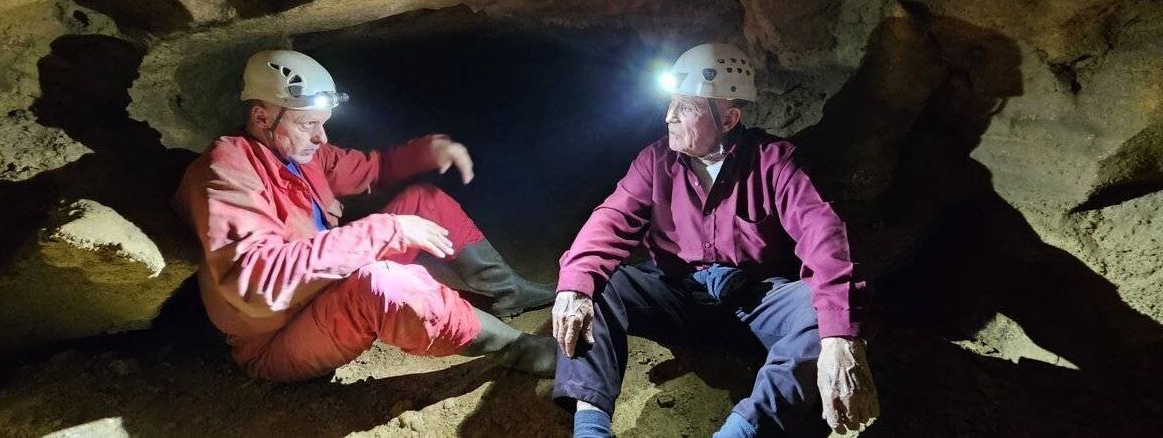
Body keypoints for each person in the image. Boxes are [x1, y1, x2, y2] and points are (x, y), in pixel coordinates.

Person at [550, 43, 880, 437]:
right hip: (678, 294)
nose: (669, 116)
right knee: (592, 285)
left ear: (728, 118)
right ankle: (591, 428)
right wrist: (576, 284)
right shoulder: (656, 162)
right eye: (671, 103)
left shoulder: (774, 162)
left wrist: (839, 334)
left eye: (686, 107)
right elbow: (612, 218)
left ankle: (741, 431)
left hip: (755, 301)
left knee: (824, 317)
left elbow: (821, 233)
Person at [175, 49, 555, 382]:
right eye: (308, 124)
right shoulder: (225, 172)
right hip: (277, 336)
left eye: (323, 123)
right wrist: (383, 231)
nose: (321, 137)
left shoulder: (301, 154)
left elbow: (370, 168)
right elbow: (259, 284)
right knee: (380, 281)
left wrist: (426, 153)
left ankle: (509, 292)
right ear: (262, 118)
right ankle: (519, 349)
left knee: (424, 201)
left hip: (326, 287)